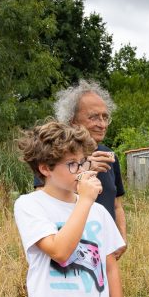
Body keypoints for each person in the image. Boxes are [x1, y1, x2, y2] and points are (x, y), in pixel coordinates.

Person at [15, 121, 125, 297]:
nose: (80, 170)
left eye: (82, 162)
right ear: (45, 168)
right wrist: (85, 201)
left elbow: (110, 266)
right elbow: (60, 251)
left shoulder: (98, 213)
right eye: (71, 164)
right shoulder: (30, 205)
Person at [40, 79, 127, 259]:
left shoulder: (109, 156)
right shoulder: (55, 156)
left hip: (104, 251)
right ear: (72, 121)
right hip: (68, 251)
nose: (102, 124)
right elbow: (44, 200)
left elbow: (117, 205)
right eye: (93, 117)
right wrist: (84, 168)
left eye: (105, 117)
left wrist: (121, 238)